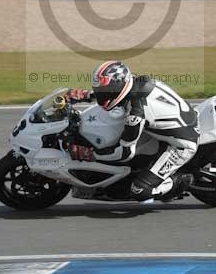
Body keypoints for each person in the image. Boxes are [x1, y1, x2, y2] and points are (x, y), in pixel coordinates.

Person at [67, 60, 199, 202]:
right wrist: (86, 95)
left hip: (181, 145)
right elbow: (111, 93)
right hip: (175, 126)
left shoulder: (135, 115)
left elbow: (125, 153)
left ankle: (180, 182)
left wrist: (90, 154)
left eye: (104, 91)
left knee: (140, 191)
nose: (101, 95)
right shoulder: (137, 83)